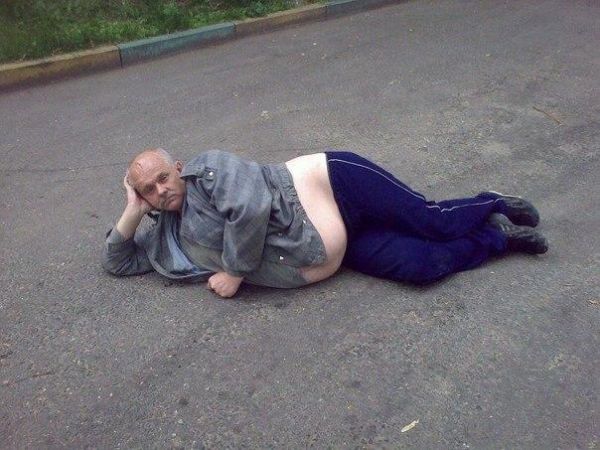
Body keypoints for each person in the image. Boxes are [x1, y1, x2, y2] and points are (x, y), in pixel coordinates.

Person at [102, 148, 548, 297]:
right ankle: (498, 238)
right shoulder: (168, 240)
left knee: (429, 221)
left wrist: (234, 272)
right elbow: (117, 261)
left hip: (332, 183)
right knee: (421, 266)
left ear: (178, 169)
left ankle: (491, 203)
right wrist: (132, 211)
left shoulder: (209, 170)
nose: (160, 190)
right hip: (334, 241)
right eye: (148, 190)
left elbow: (251, 207)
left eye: (163, 178)